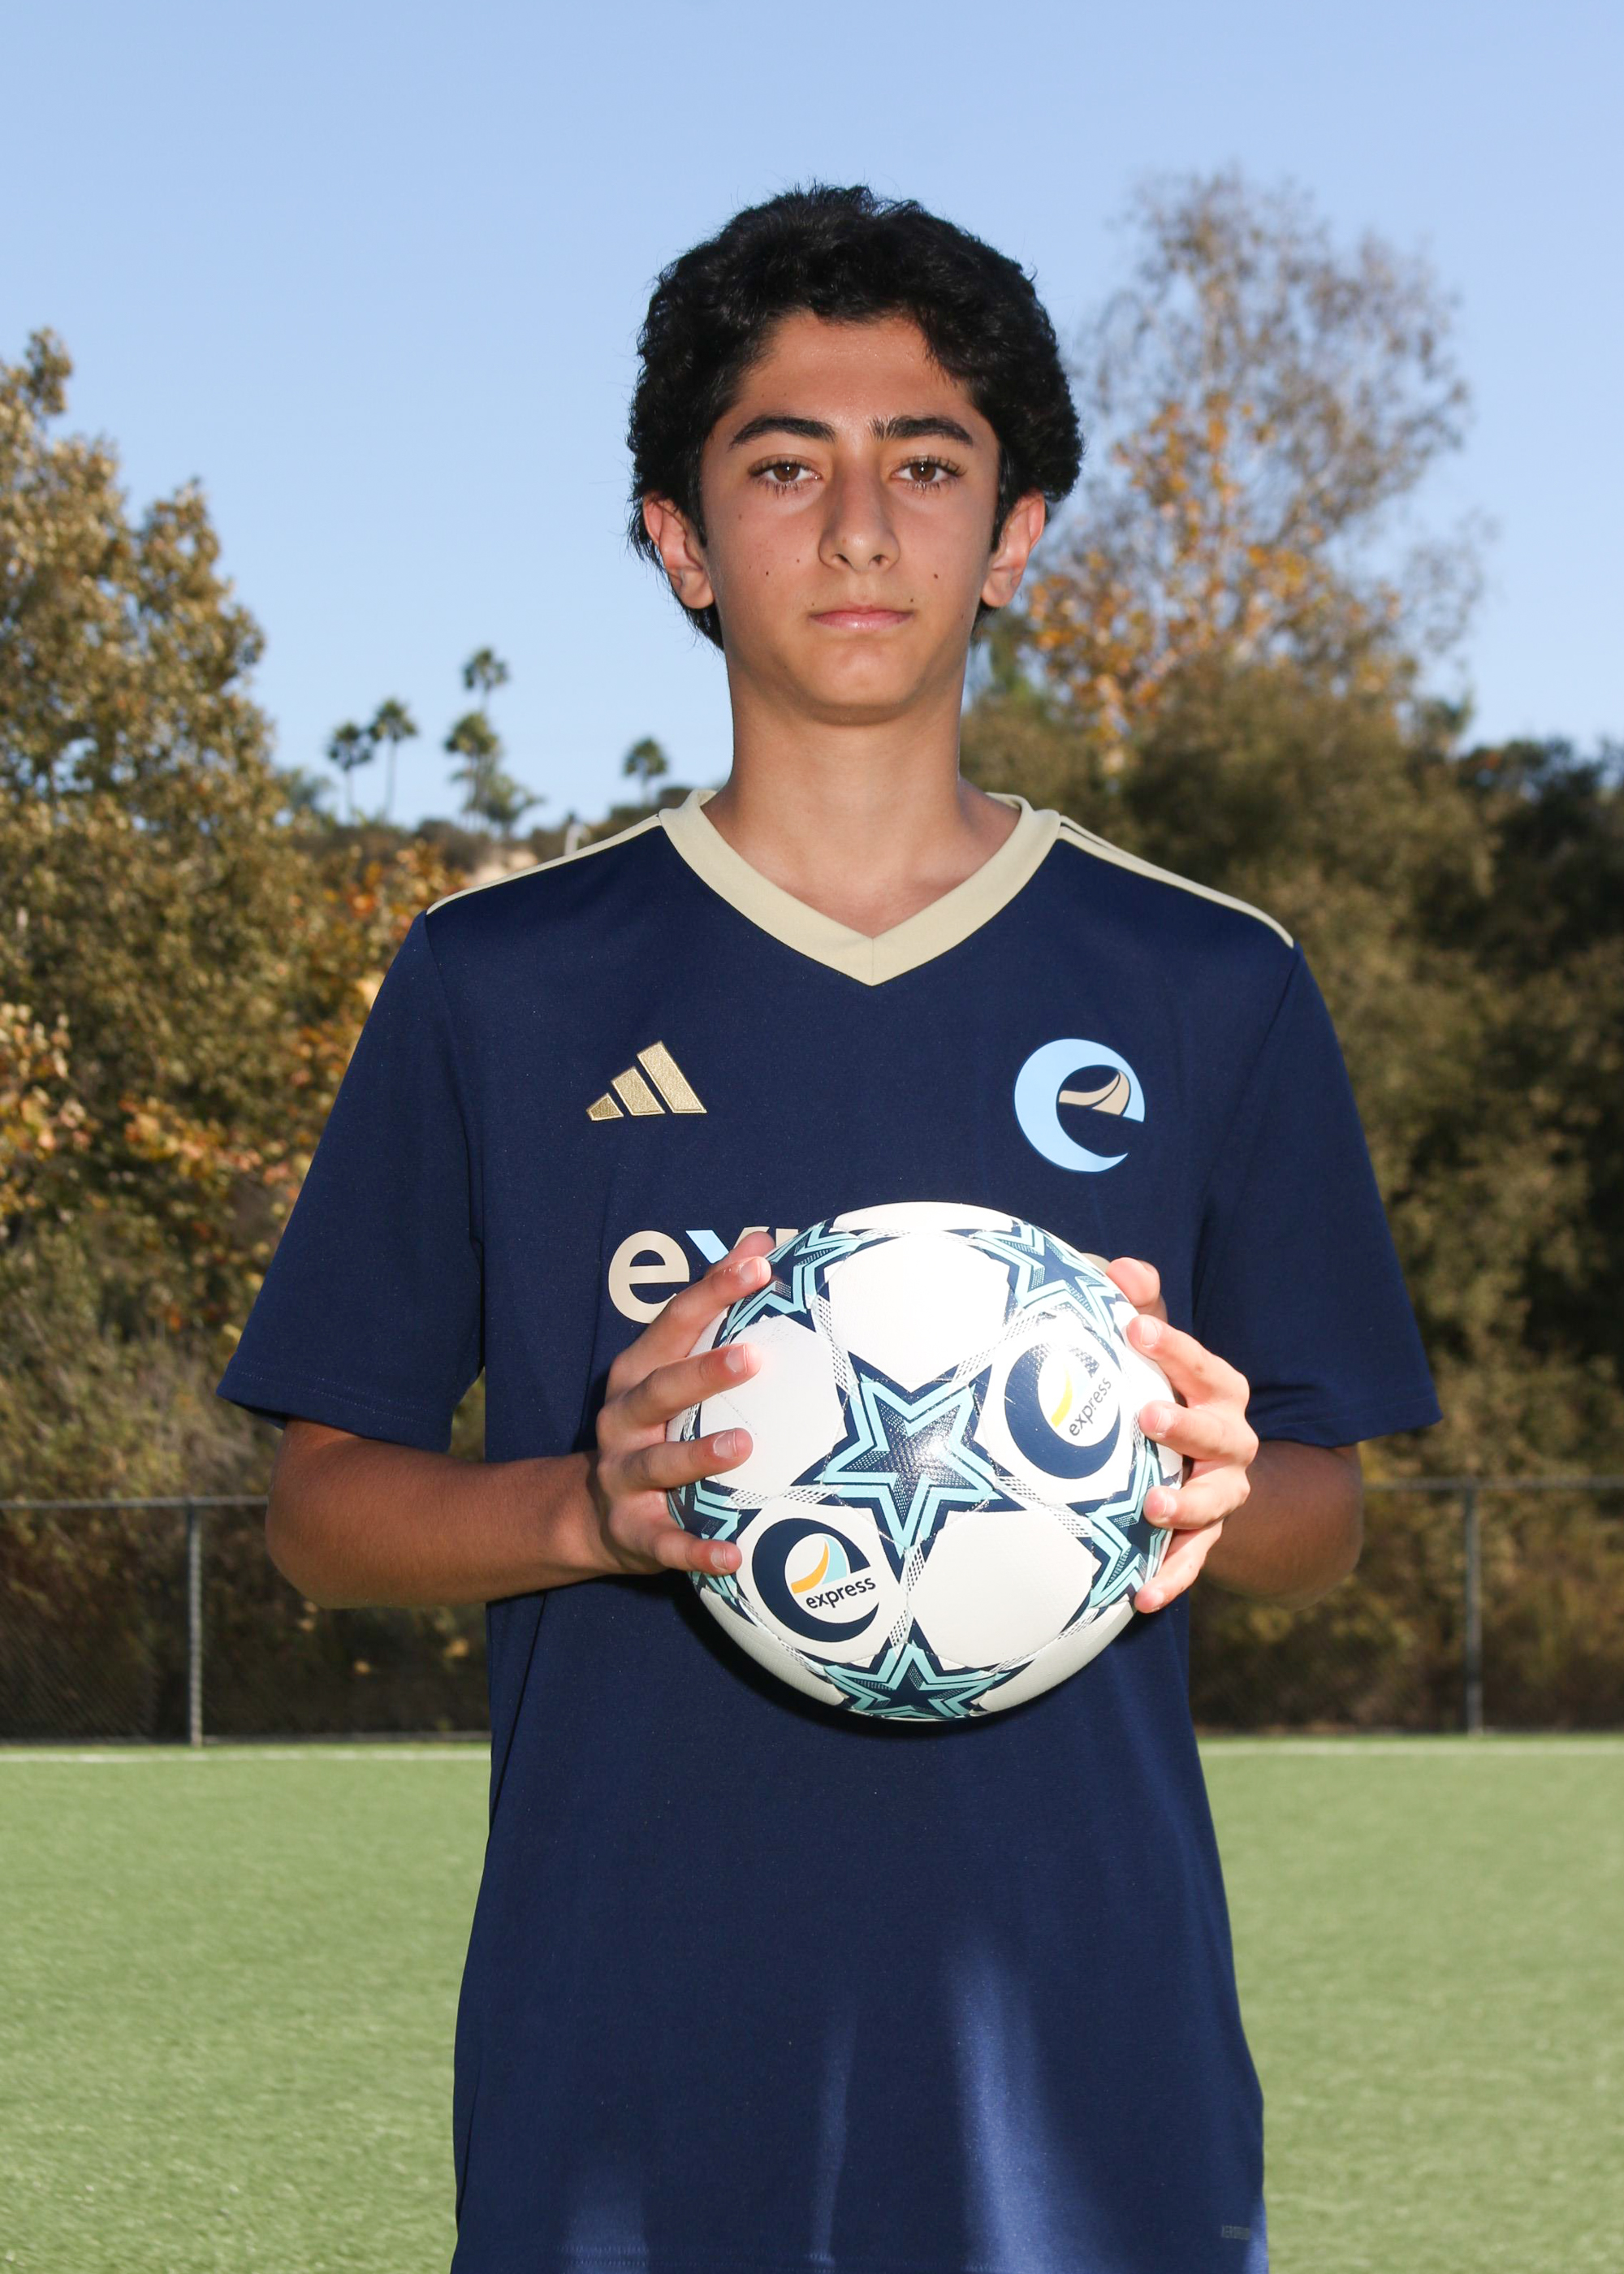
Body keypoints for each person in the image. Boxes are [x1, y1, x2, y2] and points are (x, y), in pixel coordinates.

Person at [218, 184, 1438, 2274]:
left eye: (926, 465)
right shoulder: (498, 982)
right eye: (785, 466)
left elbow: (1322, 1512)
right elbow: (321, 1511)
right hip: (626, 2083)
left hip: (1088, 2090)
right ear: (680, 537)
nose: (860, 526)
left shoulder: (1208, 981)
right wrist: (583, 1507)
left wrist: (1217, 1484)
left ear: (1015, 533)